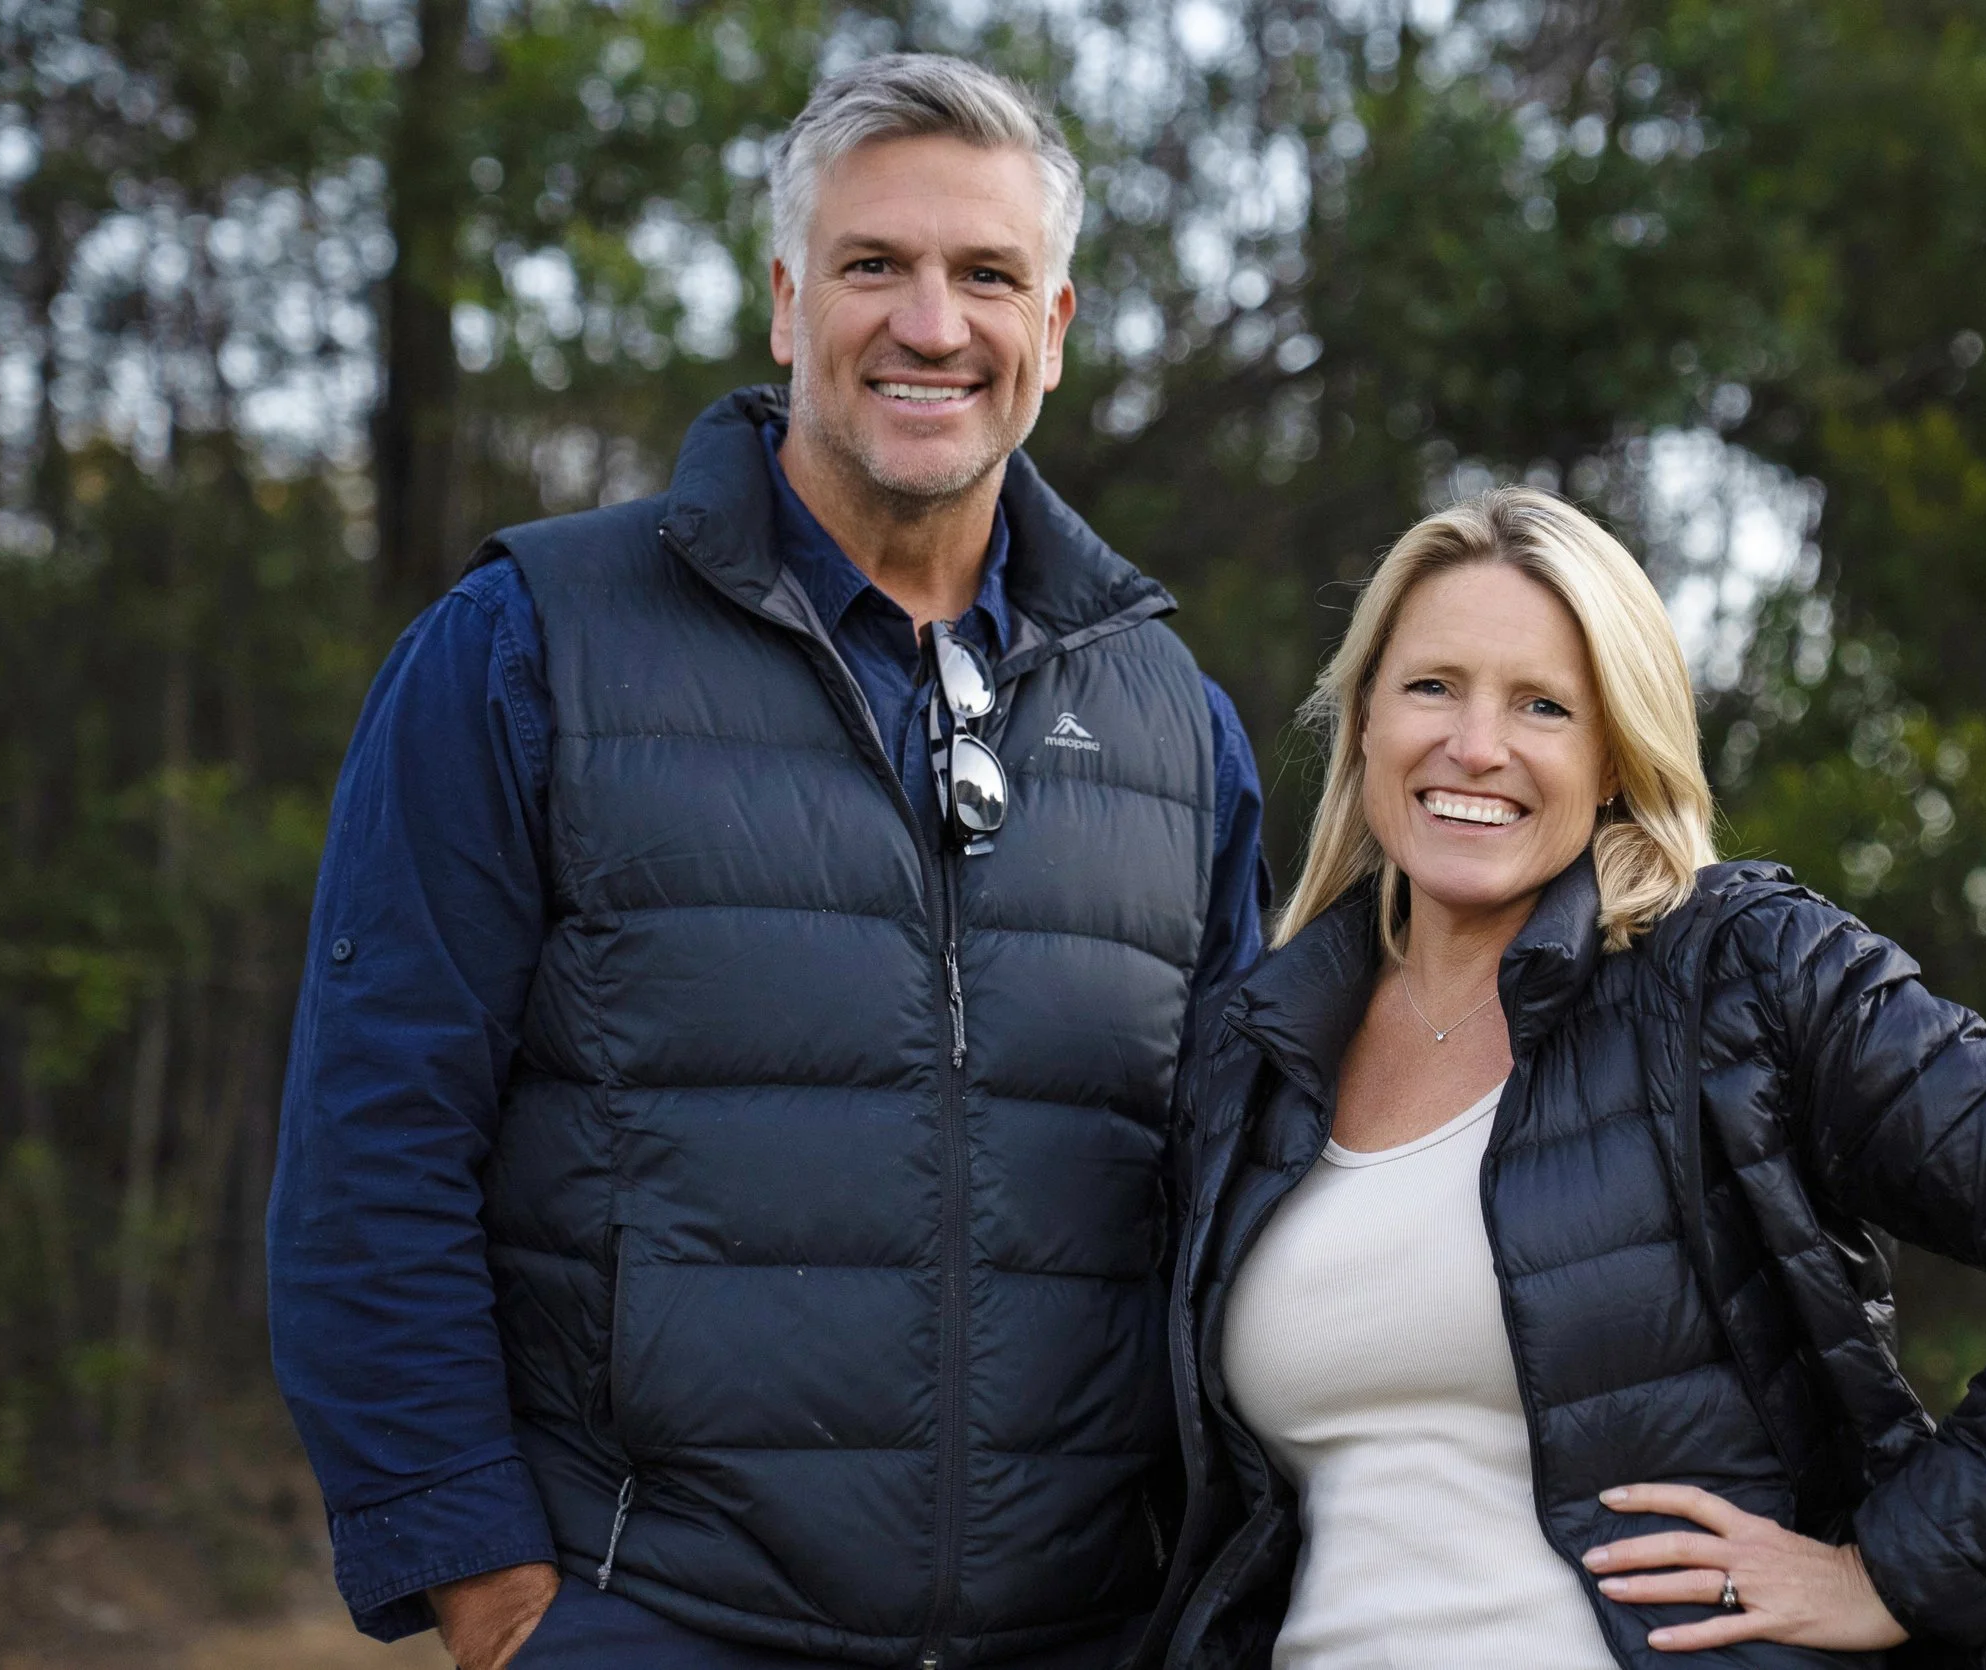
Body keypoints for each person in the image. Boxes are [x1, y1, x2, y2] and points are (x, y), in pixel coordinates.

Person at [269, 55, 1269, 1670]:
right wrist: (493, 1590)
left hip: (1084, 1632)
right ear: (789, 304)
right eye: (876, 266)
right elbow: (370, 1147)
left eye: (987, 275)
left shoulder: (1176, 726)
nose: (932, 325)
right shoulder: (529, 649)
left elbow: (1246, 1207)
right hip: (653, 1614)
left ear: (1057, 329)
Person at [1150, 487, 1986, 1670]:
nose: (1475, 745)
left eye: (1542, 704)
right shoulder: (1253, 1052)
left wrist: (1893, 1570)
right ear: (1364, 713)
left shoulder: (1738, 971)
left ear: (1617, 752)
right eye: (1432, 685)